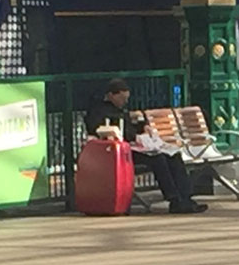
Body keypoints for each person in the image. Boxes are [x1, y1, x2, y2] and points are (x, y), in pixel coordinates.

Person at [84, 78, 208, 214]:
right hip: (119, 151)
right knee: (159, 159)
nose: (125, 102)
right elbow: (99, 130)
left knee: (173, 155)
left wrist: (143, 127)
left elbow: (130, 126)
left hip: (135, 146)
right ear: (111, 95)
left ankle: (186, 198)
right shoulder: (98, 111)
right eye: (122, 98)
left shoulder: (120, 109)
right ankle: (174, 199)